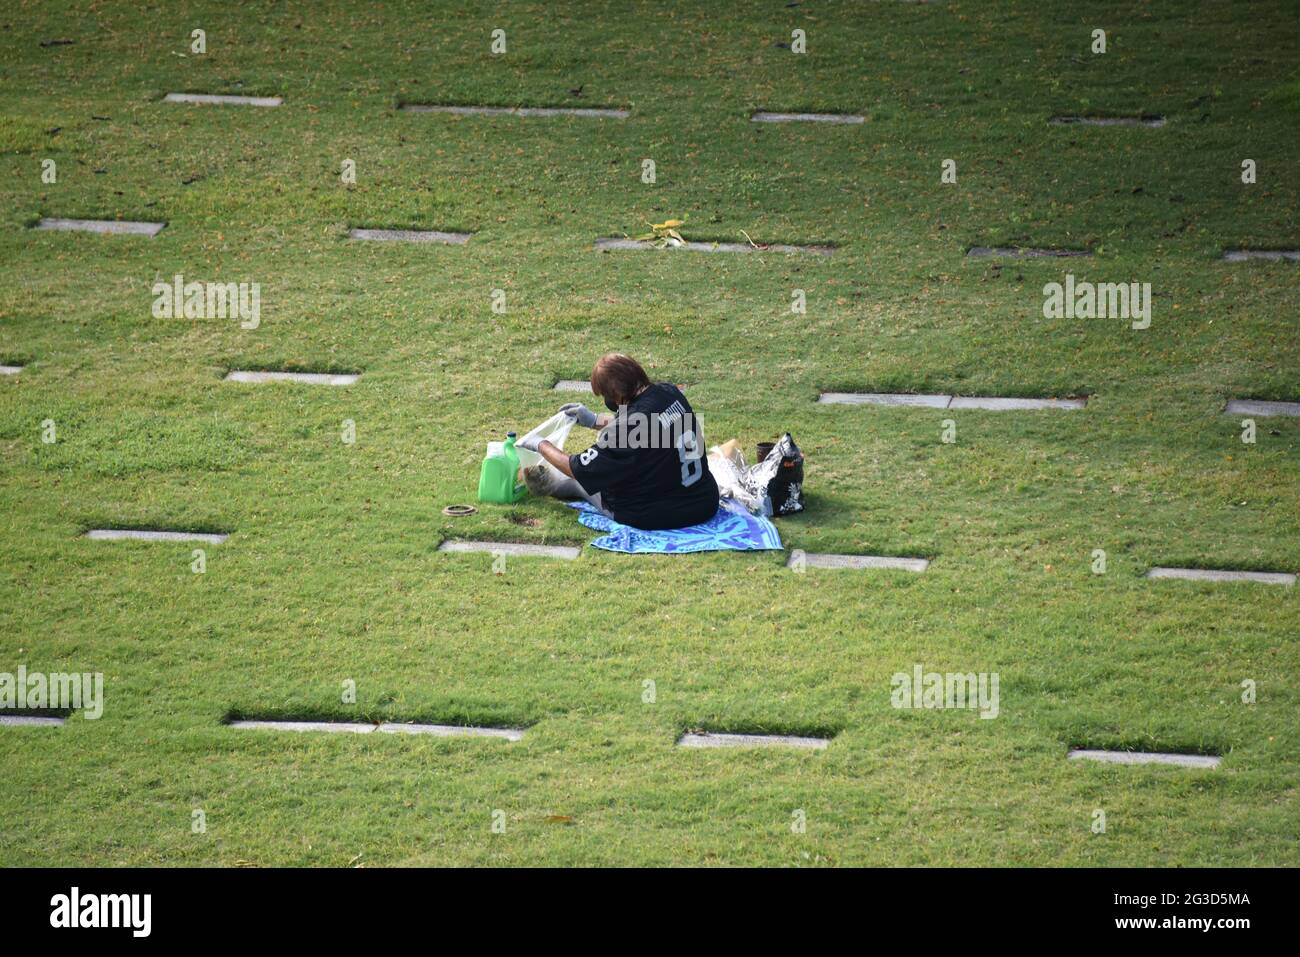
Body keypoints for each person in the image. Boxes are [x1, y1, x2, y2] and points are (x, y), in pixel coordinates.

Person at [518, 353, 720, 530]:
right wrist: (595, 420)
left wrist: (541, 444)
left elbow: (577, 467)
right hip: (704, 501)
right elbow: (645, 424)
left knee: (578, 481)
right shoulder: (669, 392)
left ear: (617, 393)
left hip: (658, 514)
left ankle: (550, 487)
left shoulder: (627, 429)